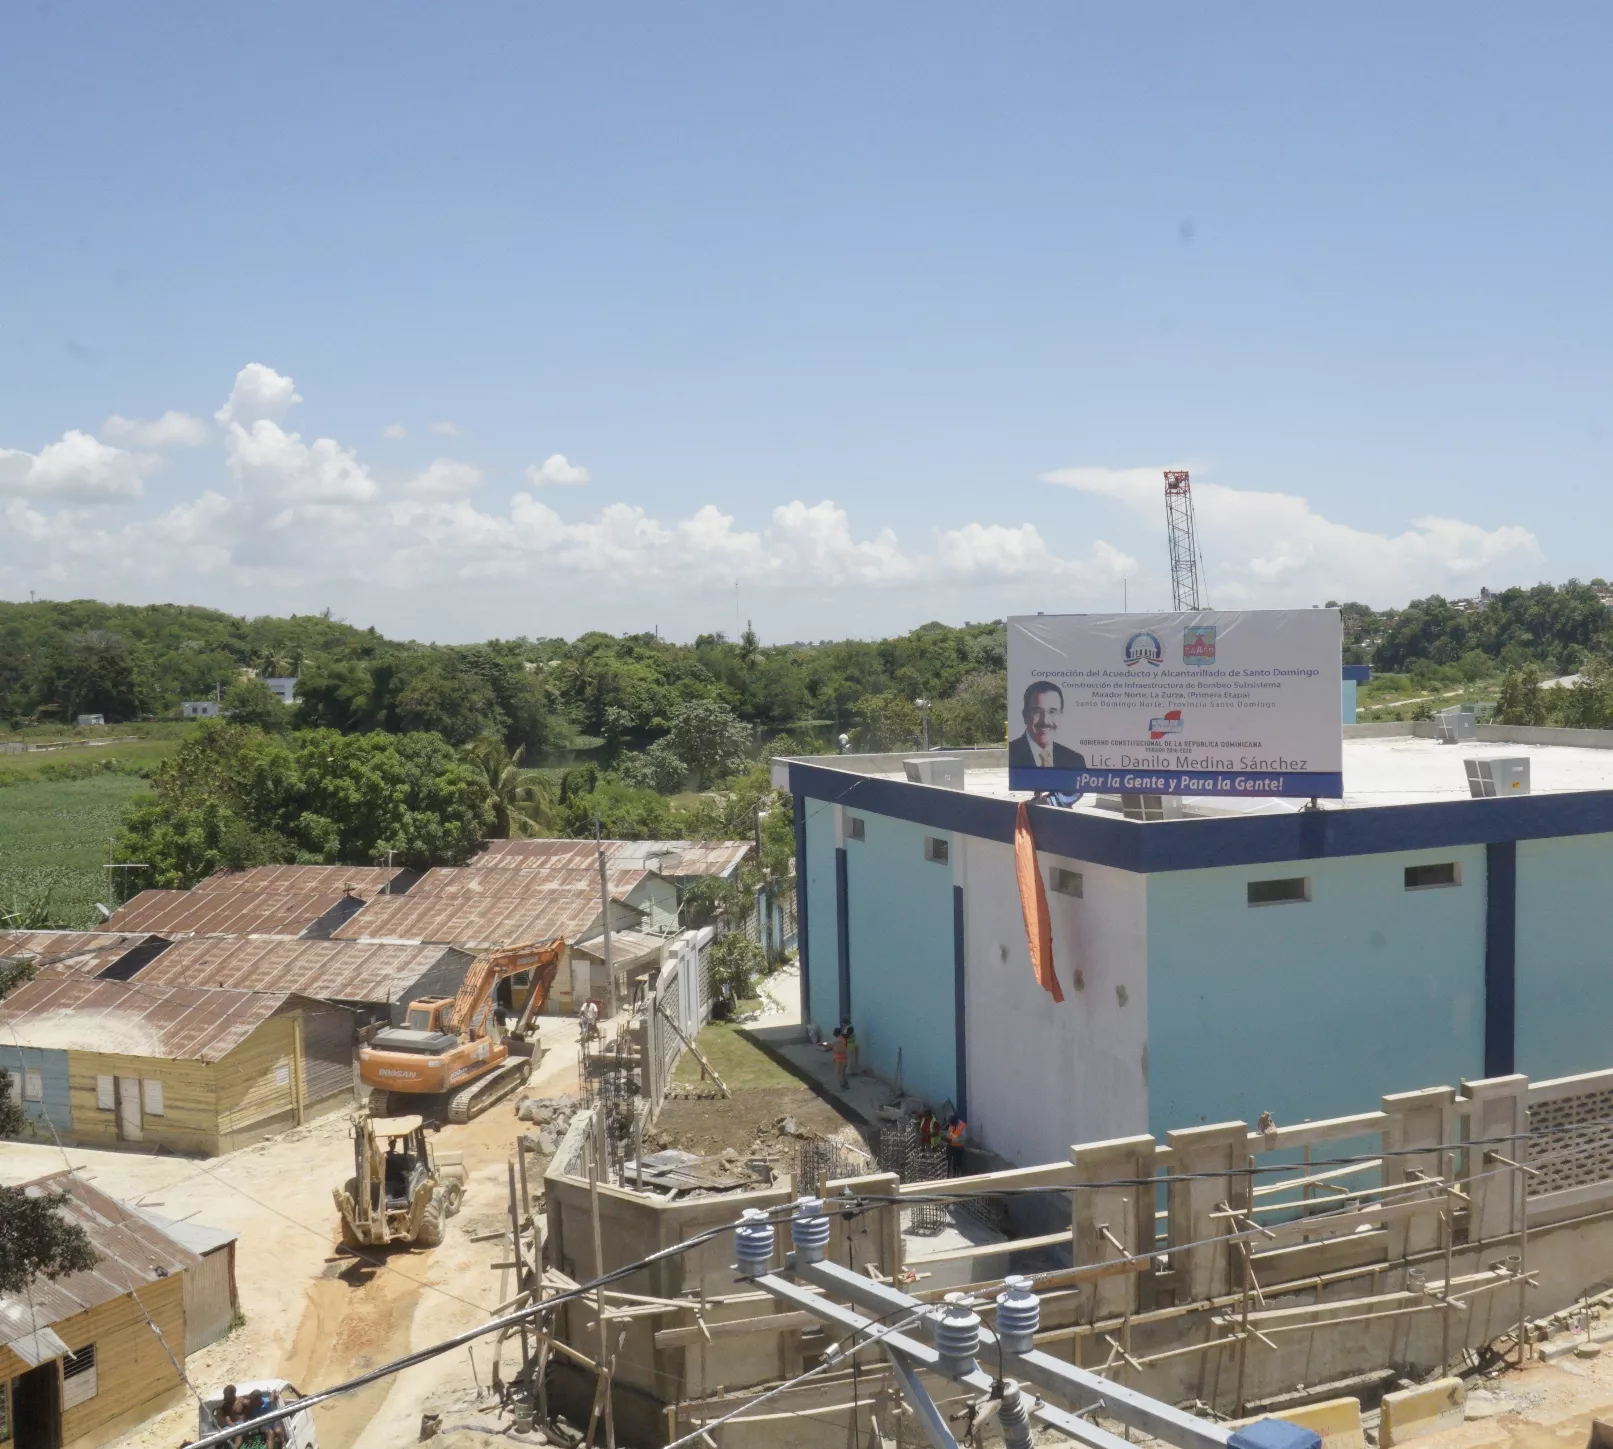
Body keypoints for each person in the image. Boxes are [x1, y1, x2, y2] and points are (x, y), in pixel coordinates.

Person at [1007, 681, 1085, 772]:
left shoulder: (1075, 761)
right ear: (1025, 715)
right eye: (1037, 711)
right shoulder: (1010, 756)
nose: (1045, 720)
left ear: (1061, 715)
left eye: (1052, 712)